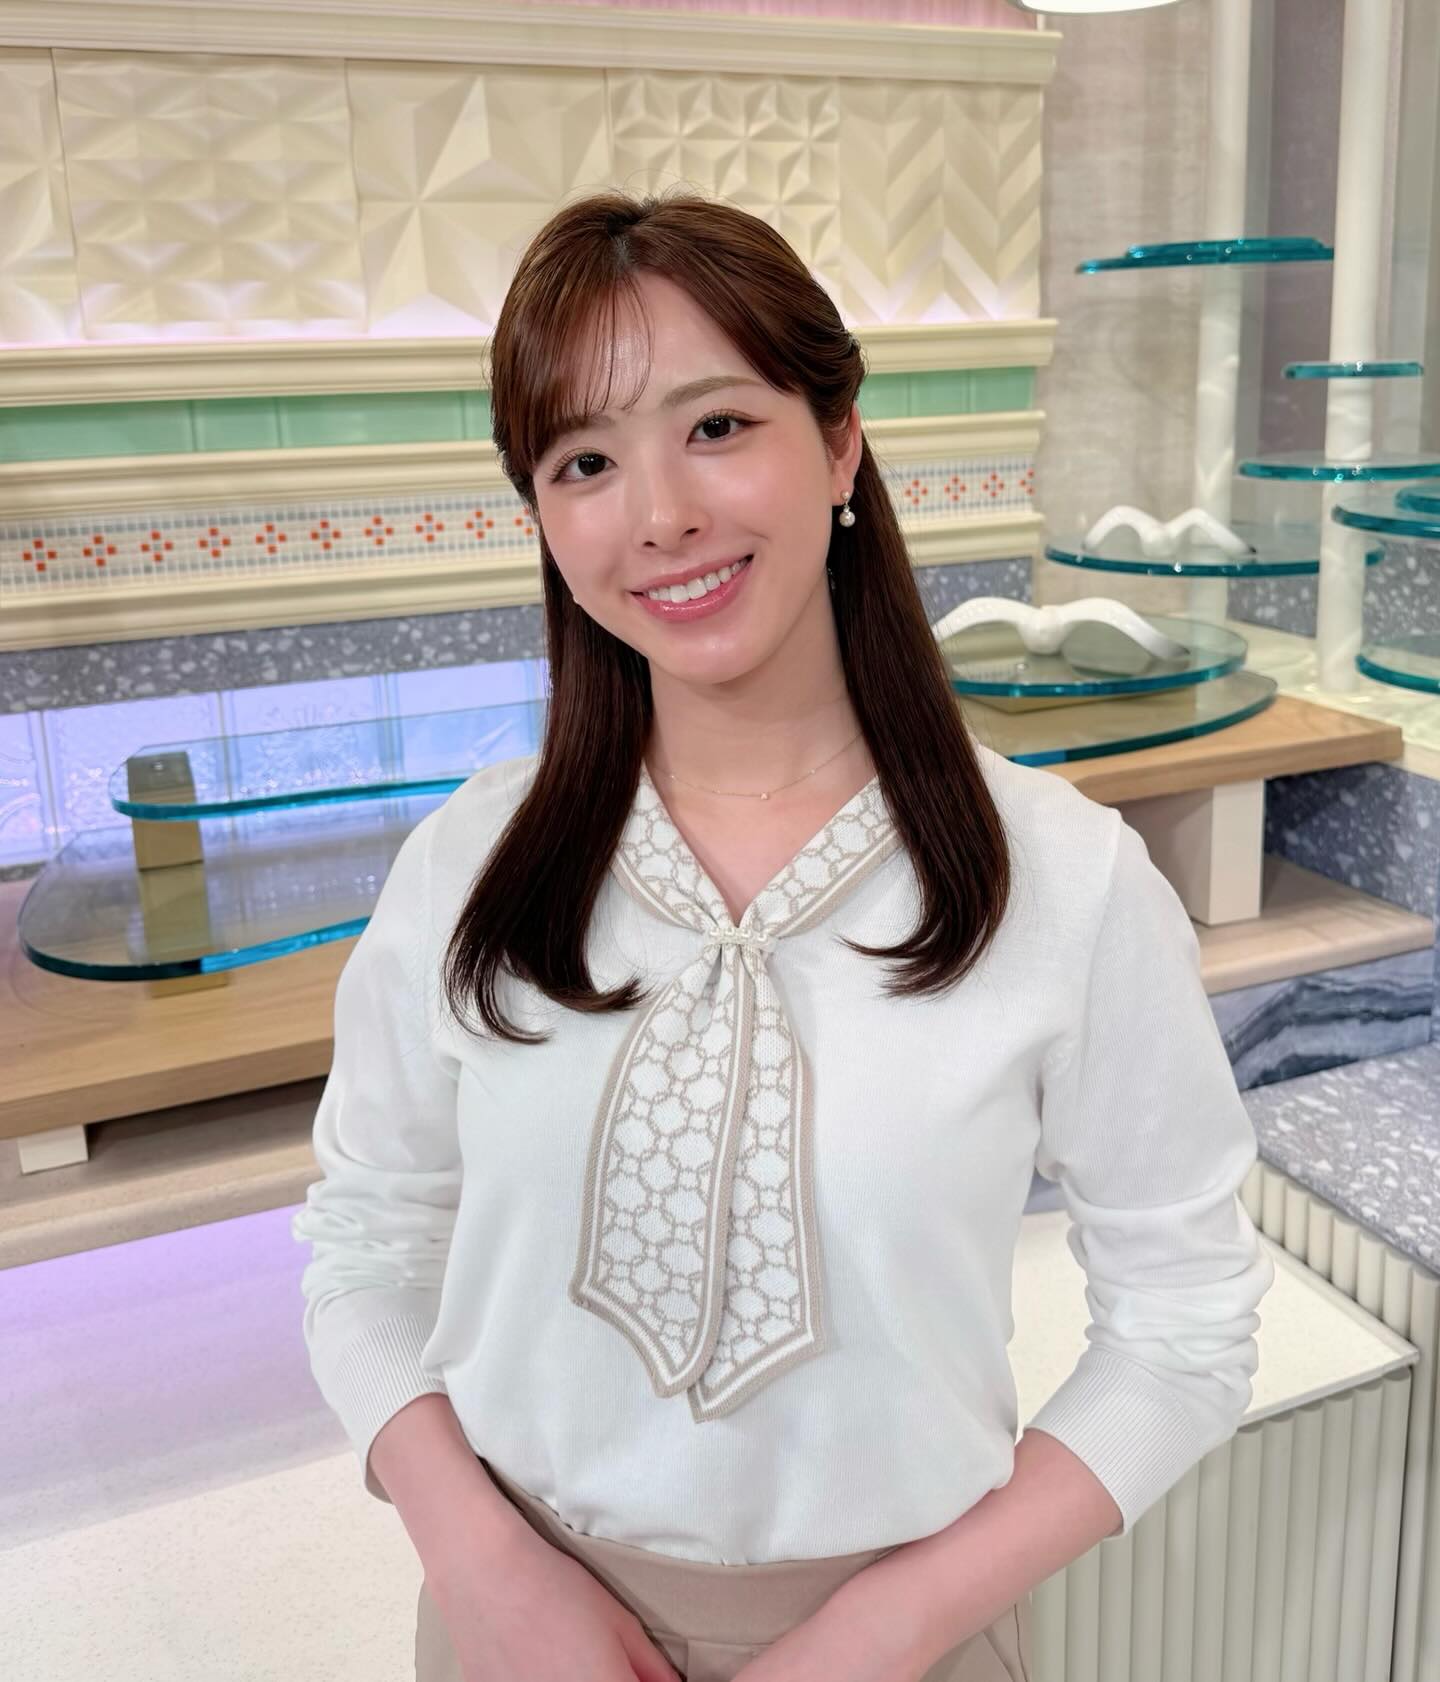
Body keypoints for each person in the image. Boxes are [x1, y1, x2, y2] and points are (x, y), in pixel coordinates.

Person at [291, 188, 1276, 1682]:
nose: (660, 515)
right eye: (584, 461)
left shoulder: (1066, 882)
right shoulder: (466, 868)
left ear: (839, 442)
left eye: (716, 425)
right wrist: (482, 1566)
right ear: (542, 516)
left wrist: (891, 1626)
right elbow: (363, 1245)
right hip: (518, 1630)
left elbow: (1186, 1327)